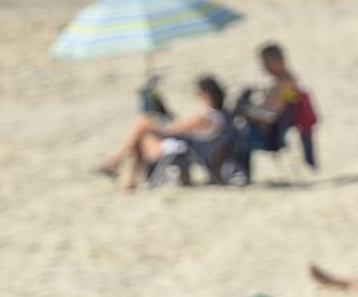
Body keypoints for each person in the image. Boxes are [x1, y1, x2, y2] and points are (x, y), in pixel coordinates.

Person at [99, 75, 231, 189]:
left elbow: (175, 128)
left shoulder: (206, 116)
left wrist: (151, 125)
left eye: (198, 93)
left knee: (143, 126)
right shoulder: (220, 116)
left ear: (205, 94)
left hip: (184, 149)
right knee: (143, 132)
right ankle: (121, 170)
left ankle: (118, 165)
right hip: (187, 148)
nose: (197, 96)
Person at [233, 43, 304, 149]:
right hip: (271, 132)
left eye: (266, 63)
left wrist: (244, 110)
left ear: (276, 61)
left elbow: (271, 116)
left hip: (267, 137)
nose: (264, 67)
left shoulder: (284, 83)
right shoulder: (286, 81)